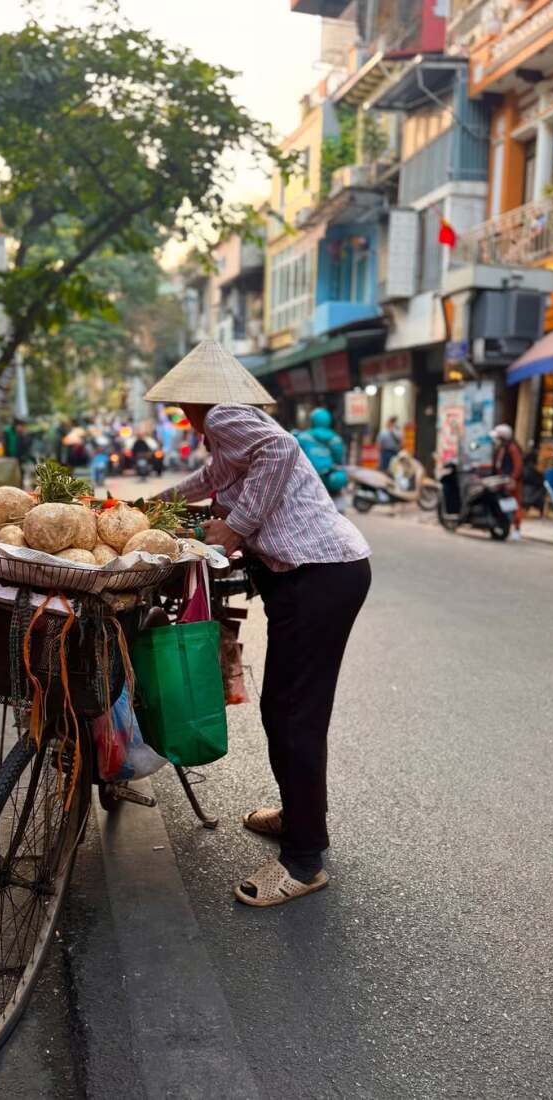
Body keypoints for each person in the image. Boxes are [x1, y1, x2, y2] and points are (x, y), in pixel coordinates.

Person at [148, 340, 371, 908]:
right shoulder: (227, 430)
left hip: (320, 576)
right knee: (284, 708)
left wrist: (237, 525)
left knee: (296, 714)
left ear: (196, 397)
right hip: (318, 575)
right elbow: (205, 481)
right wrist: (151, 507)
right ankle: (299, 817)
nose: (183, 413)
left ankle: (304, 860)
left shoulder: (226, 416)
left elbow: (281, 451)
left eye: (182, 402)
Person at [294, 408, 348, 501]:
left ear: (312, 420)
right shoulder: (335, 439)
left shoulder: (302, 437)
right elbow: (338, 459)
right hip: (329, 479)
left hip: (308, 480)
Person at [491, 423, 524, 539]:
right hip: (502, 481)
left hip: (511, 482)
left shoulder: (512, 448)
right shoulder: (502, 448)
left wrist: (512, 479)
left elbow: (518, 466)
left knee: (514, 505)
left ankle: (516, 529)